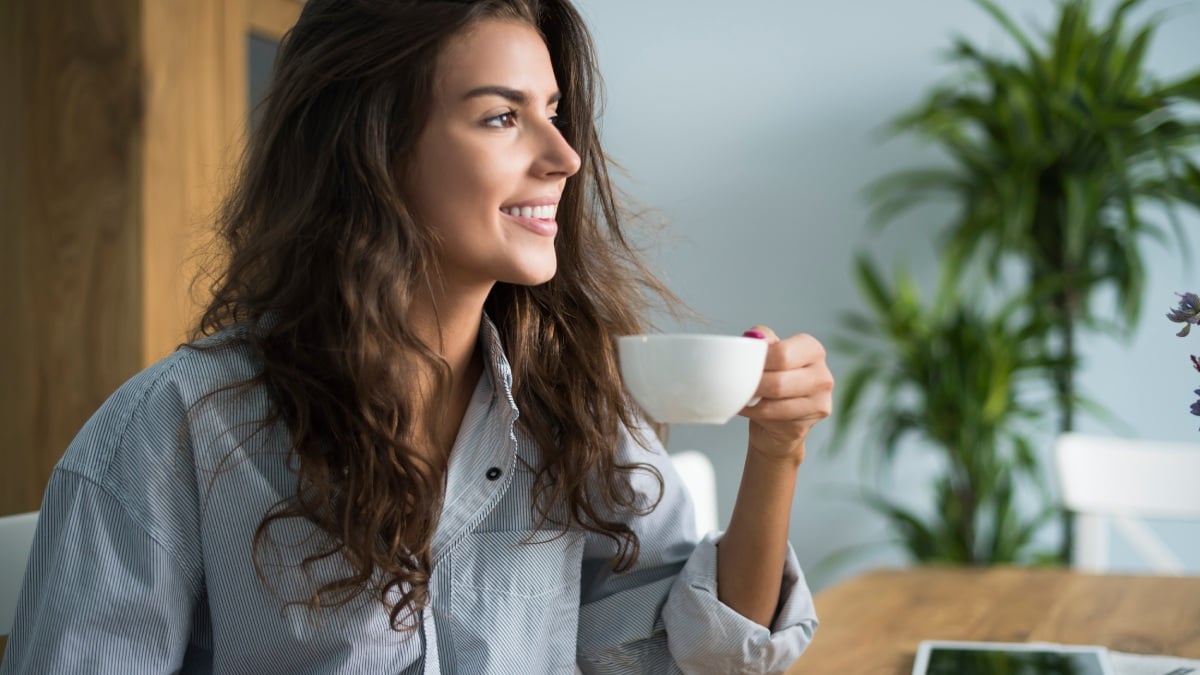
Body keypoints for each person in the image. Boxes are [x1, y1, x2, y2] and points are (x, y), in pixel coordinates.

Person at [1, 0, 833, 672]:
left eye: (553, 111)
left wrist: (777, 450)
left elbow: (704, 656)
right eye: (501, 117)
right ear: (373, 146)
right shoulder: (169, 433)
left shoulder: (575, 405)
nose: (565, 156)